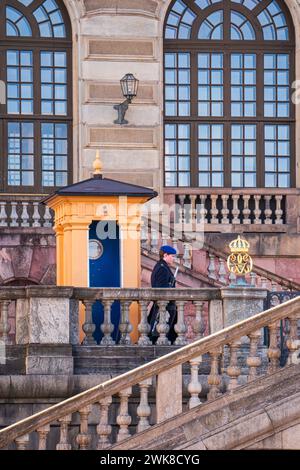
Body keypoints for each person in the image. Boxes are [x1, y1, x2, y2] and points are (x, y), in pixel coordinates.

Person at [148, 245, 177, 344]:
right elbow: (161, 290)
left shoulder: (163, 266)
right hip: (165, 306)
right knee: (160, 333)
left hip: (166, 305)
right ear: (165, 255)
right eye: (172, 256)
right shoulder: (162, 268)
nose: (174, 258)